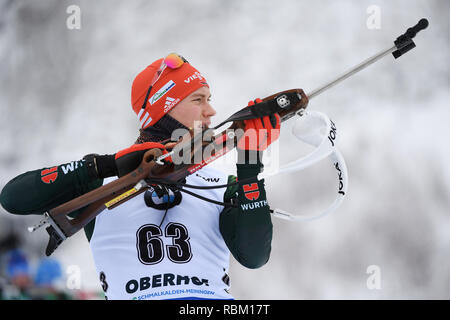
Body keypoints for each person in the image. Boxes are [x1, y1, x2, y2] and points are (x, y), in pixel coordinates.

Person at [0, 53, 280, 300]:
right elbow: (13, 197)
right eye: (198, 99)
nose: (211, 111)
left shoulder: (220, 183)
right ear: (164, 108)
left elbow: (254, 256)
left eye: (209, 100)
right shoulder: (104, 181)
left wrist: (249, 163)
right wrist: (106, 165)